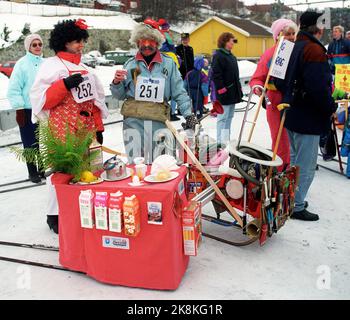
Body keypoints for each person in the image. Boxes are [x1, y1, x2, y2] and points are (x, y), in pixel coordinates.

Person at [30, 19, 108, 233]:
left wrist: (98, 128)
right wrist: (63, 85)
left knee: (86, 169)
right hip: (62, 126)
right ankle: (54, 214)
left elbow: (95, 102)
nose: (80, 45)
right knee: (61, 171)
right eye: (76, 42)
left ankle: (80, 210)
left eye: (81, 41)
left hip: (85, 126)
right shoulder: (50, 66)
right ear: (64, 42)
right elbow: (41, 100)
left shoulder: (85, 68)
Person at [275, 11, 337, 221]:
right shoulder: (313, 49)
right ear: (317, 28)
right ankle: (296, 204)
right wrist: (330, 106)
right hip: (307, 116)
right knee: (305, 164)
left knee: (294, 160)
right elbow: (318, 88)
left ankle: (292, 199)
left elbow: (279, 80)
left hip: (291, 112)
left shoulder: (290, 45)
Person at [110, 23, 196, 164]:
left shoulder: (168, 64)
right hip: (133, 121)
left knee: (163, 163)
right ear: (137, 42)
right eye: (143, 41)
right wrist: (116, 83)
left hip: (159, 121)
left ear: (157, 43)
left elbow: (179, 91)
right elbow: (119, 96)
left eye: (151, 41)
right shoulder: (130, 65)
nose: (147, 45)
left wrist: (188, 114)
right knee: (137, 164)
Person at [250, 19, 297, 171]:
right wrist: (257, 86)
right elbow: (257, 77)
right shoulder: (270, 54)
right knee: (280, 139)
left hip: (296, 103)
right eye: (286, 34)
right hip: (276, 103)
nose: (291, 37)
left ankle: (294, 168)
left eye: (293, 34)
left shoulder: (298, 52)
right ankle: (281, 170)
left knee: (295, 139)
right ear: (278, 36)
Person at [7, 34, 44, 183]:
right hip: (27, 110)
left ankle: (42, 169)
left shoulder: (45, 63)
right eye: (34, 45)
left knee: (42, 141)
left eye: (39, 44)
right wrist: (19, 109)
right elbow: (14, 89)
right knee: (29, 142)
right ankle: (32, 171)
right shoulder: (22, 64)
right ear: (28, 47)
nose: (37, 47)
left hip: (42, 109)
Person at [211, 32, 243, 145]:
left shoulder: (231, 56)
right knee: (222, 117)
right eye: (231, 41)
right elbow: (216, 74)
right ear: (225, 42)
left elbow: (235, 75)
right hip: (224, 93)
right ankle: (220, 141)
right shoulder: (218, 55)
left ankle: (226, 140)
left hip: (233, 92)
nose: (233, 43)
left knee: (229, 116)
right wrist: (221, 88)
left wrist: (239, 89)